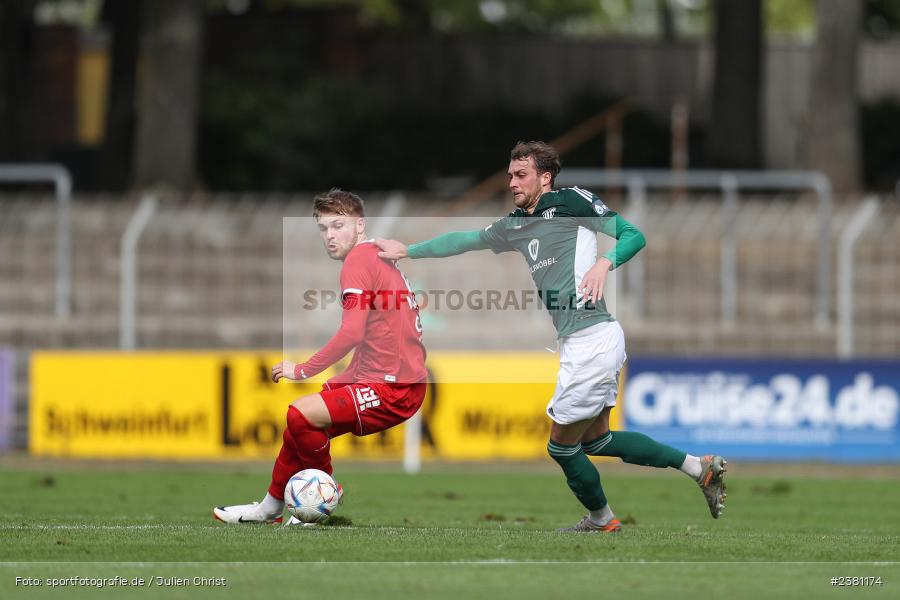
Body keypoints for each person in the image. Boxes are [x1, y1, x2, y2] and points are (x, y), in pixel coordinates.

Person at [375, 141, 726, 532]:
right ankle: (699, 468)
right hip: (585, 341)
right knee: (597, 441)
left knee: (560, 445)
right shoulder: (514, 224)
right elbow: (465, 240)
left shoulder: (571, 202)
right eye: (509, 175)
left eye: (520, 174)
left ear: (545, 177)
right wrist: (408, 250)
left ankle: (602, 521)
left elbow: (632, 235)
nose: (511, 182)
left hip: (592, 337)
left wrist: (604, 263)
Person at [214, 189, 427, 525]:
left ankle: (326, 491)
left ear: (359, 225)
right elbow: (381, 329)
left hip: (393, 387)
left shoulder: (359, 261)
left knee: (300, 415)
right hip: (380, 376)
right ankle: (269, 508)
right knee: (296, 427)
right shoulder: (375, 254)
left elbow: (352, 332)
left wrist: (301, 369)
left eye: (338, 225)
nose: (329, 236)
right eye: (323, 228)